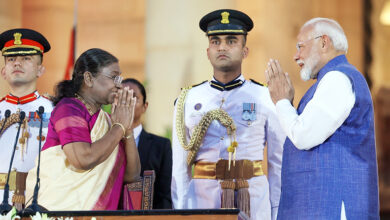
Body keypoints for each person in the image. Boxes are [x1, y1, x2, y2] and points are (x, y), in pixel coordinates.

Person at [171, 9, 285, 220]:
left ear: (245, 51)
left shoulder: (265, 97)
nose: (222, 47)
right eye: (215, 41)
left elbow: (277, 163)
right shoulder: (188, 99)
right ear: (208, 51)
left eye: (231, 40)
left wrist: (277, 211)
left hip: (252, 197)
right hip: (201, 199)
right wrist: (181, 210)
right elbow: (180, 166)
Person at [265, 18, 379, 219]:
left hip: (333, 206)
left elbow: (303, 135)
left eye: (301, 46)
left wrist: (282, 102)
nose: (296, 56)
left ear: (324, 42)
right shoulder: (333, 79)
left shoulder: (338, 78)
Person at [25, 48, 141, 210]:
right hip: (57, 211)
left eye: (119, 79)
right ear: (88, 78)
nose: (119, 85)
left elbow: (132, 175)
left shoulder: (108, 122)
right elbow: (82, 159)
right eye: (114, 77)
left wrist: (127, 130)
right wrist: (118, 128)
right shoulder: (68, 108)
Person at [0, 28, 53, 210]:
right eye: (11, 59)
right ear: (3, 71)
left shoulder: (55, 110)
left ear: (40, 70)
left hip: (40, 200)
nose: (17, 64)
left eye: (26, 58)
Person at [122, 78, 172, 209]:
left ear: (145, 106)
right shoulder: (103, 141)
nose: (126, 101)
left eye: (133, 97)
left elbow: (164, 195)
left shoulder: (161, 146)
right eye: (121, 96)